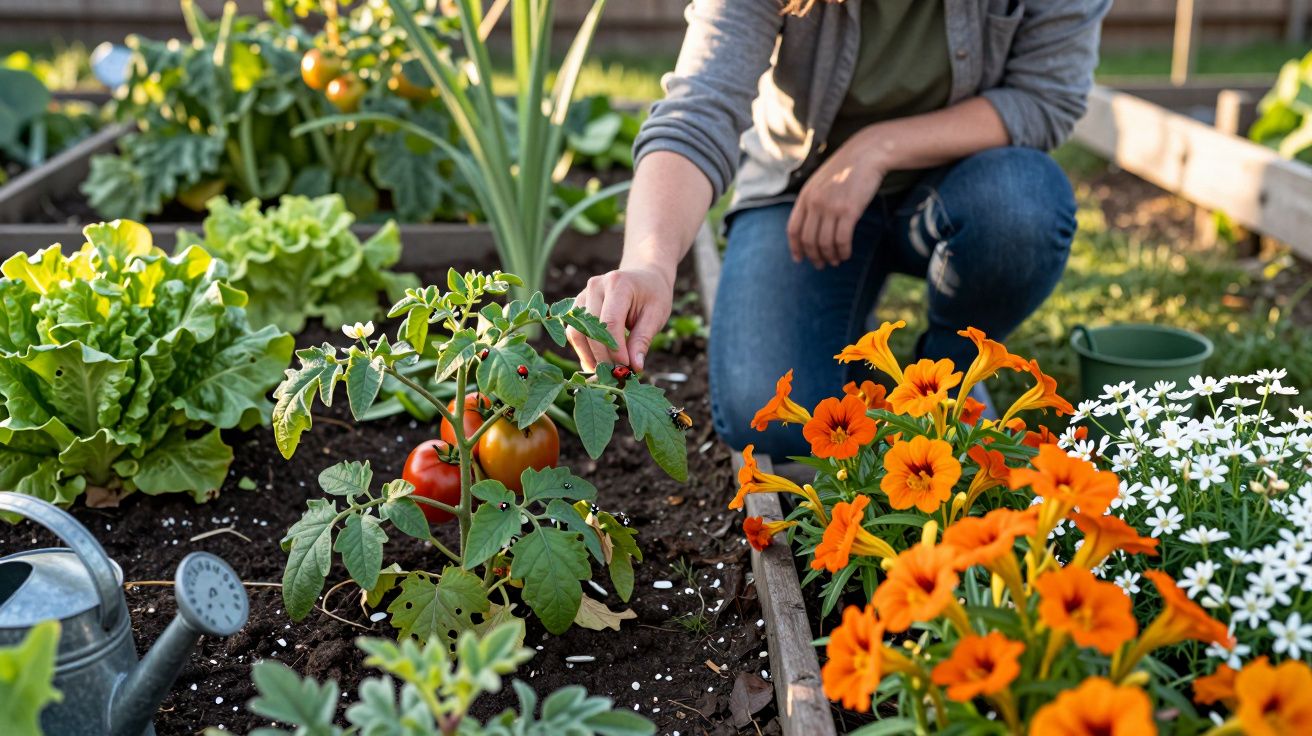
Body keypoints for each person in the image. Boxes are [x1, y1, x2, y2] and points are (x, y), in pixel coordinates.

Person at [565, 0, 1110, 458]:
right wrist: (650, 264)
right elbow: (698, 111)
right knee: (771, 417)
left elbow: (1045, 98)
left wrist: (877, 148)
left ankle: (950, 376)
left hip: (965, 184)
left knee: (1023, 206)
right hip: (800, 193)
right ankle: (857, 336)